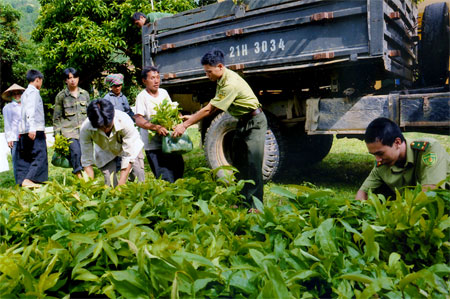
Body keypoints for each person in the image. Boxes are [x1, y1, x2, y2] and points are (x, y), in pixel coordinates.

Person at [172, 49, 267, 207]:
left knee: (253, 164)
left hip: (255, 122)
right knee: (239, 161)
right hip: (242, 121)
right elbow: (215, 106)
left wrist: (185, 125)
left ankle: (256, 206)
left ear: (220, 66)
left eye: (209, 72)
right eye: (206, 72)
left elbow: (209, 109)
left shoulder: (230, 83)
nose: (207, 75)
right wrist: (193, 118)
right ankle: (243, 200)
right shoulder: (222, 79)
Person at [355, 117, 450, 201]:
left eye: (380, 153)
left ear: (397, 142)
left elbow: (430, 193)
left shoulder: (428, 149)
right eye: (374, 155)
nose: (377, 159)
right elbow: (363, 192)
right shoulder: (383, 162)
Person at [134, 66, 184, 183]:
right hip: (154, 145)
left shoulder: (163, 93)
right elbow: (138, 119)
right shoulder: (142, 97)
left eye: (157, 77)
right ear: (144, 81)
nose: (156, 81)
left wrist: (177, 120)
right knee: (164, 177)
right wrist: (155, 127)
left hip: (169, 142)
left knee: (178, 172)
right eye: (152, 78)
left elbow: (172, 111)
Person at [80, 99, 145, 187]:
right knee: (109, 183)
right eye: (101, 128)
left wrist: (121, 184)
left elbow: (129, 155)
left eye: (107, 126)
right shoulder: (86, 128)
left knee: (138, 175)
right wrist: (89, 186)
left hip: (131, 146)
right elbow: (87, 160)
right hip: (105, 149)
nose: (105, 130)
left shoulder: (124, 120)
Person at [53, 67, 90, 177]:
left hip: (84, 131)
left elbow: (90, 113)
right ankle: (79, 176)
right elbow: (57, 117)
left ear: (78, 78)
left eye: (75, 77)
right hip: (69, 132)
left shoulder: (85, 94)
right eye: (70, 78)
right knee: (75, 152)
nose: (73, 80)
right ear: (66, 80)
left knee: (85, 154)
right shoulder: (61, 96)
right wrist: (57, 136)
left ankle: (87, 176)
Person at [16, 70, 48, 188]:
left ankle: (26, 180)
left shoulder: (24, 93)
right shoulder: (33, 92)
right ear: (38, 79)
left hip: (25, 129)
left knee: (27, 157)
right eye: (41, 81)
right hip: (33, 128)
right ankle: (29, 180)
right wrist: (33, 128)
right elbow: (31, 110)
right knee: (40, 155)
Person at [2, 84, 25, 181]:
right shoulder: (8, 108)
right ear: (11, 95)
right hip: (15, 137)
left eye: (18, 93)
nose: (17, 96)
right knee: (16, 160)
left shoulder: (26, 106)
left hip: (26, 135)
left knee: (27, 158)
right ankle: (19, 180)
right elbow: (7, 124)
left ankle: (28, 179)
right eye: (14, 94)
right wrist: (9, 138)